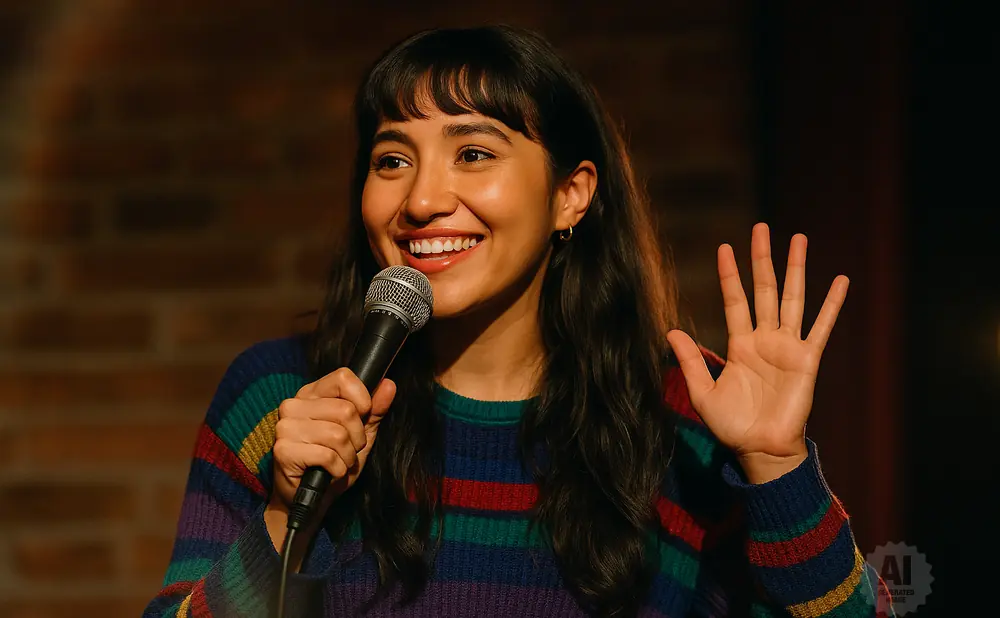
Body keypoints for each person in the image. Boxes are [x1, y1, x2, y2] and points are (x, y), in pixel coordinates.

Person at [144, 25, 894, 618]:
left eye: (473, 153)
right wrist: (284, 516)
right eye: (391, 160)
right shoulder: (283, 394)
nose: (422, 201)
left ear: (571, 195)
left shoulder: (685, 414)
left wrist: (776, 468)